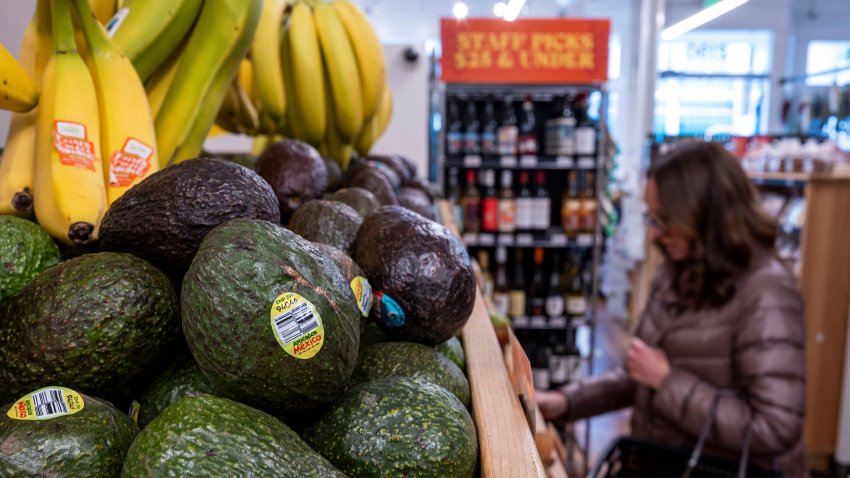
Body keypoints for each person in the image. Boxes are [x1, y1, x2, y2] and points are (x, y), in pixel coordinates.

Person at [537, 141, 807, 477]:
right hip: (664, 462)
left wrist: (667, 381)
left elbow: (775, 427)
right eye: (652, 217)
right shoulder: (676, 272)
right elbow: (641, 373)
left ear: (704, 215)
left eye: (664, 219)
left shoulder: (766, 292)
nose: (655, 233)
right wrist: (567, 402)